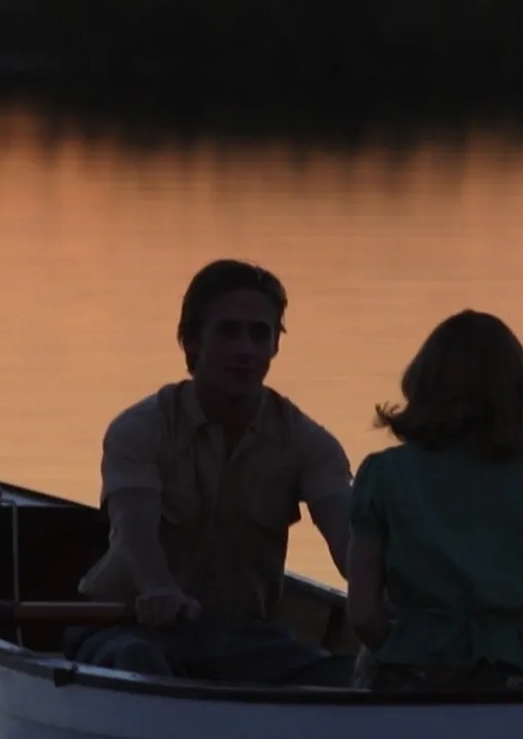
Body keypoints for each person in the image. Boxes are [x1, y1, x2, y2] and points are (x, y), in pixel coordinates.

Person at [72, 260, 358, 686]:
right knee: (136, 662)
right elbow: (135, 530)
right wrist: (158, 588)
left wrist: (386, 600)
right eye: (228, 331)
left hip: (245, 640)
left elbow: (348, 539)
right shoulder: (140, 428)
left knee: (353, 676)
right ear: (191, 342)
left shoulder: (309, 442)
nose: (245, 349)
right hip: (126, 625)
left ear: (274, 348)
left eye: (260, 334)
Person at [346, 311, 523, 692]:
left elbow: (363, 617)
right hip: (507, 674)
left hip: (408, 671)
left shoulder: (383, 475)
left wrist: (399, 653)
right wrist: (516, 664)